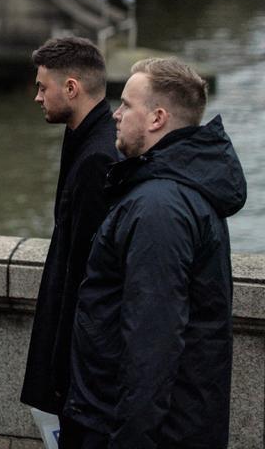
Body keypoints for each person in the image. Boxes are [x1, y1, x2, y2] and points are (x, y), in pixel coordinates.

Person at [63, 58, 246, 449]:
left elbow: (151, 345)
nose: (116, 114)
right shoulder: (176, 192)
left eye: (128, 104)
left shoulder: (158, 208)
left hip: (135, 430)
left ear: (157, 118)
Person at [20, 37, 118, 440]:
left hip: (82, 370)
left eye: (44, 87)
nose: (37, 97)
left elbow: (85, 273)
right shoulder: (89, 140)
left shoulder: (97, 158)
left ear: (72, 88)